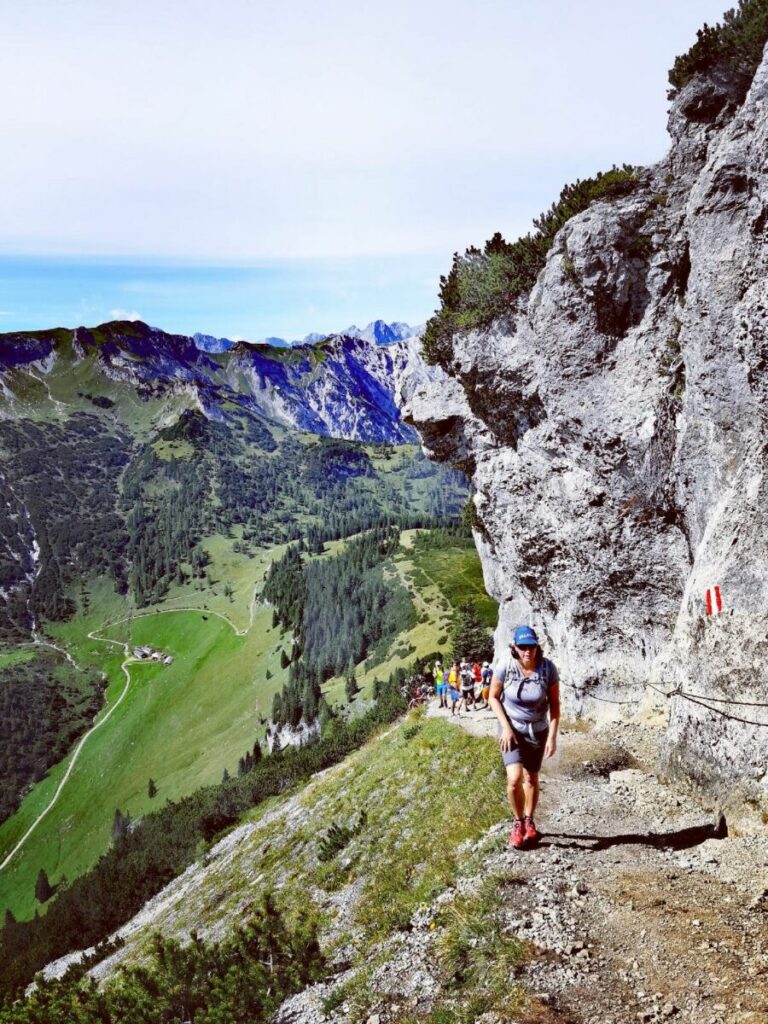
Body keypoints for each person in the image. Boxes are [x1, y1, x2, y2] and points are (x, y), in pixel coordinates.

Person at [488, 625, 560, 850]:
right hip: (511, 729)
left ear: (537, 647)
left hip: (538, 730)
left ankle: (530, 821)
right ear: (514, 647)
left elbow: (555, 706)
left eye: (531, 647)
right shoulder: (506, 666)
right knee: (514, 779)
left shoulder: (548, 669)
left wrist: (552, 737)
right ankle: (518, 823)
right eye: (522, 647)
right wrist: (505, 727)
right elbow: (493, 697)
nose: (527, 651)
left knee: (532, 778)